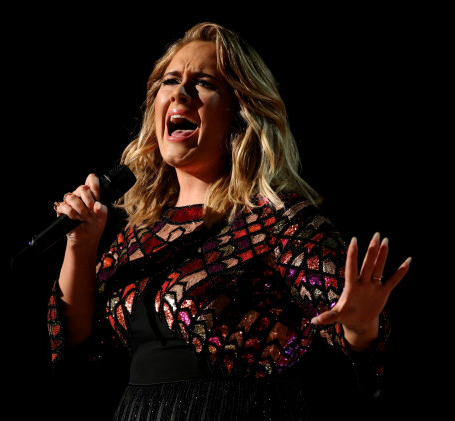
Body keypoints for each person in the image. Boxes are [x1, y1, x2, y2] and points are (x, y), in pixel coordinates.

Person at [45, 22, 411, 420]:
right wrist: (80, 245)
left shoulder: (279, 220)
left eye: (202, 83)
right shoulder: (139, 232)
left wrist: (362, 327)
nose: (180, 94)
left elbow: (360, 341)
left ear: (239, 113)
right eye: (170, 81)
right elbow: (78, 350)